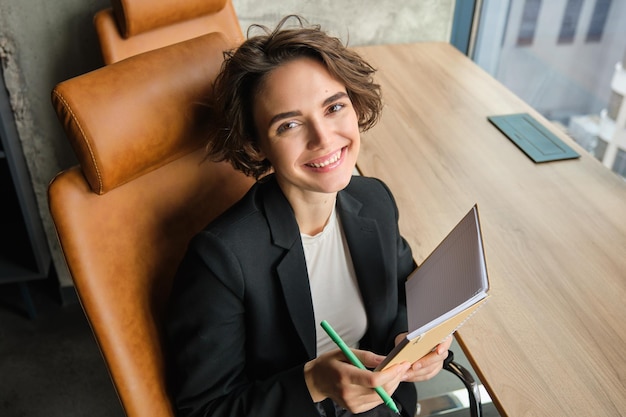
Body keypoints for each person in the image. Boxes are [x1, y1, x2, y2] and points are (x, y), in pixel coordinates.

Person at [164, 15, 452, 417]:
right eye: (290, 124)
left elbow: (406, 292)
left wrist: (413, 341)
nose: (324, 138)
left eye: (334, 107)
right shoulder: (221, 260)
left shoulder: (375, 200)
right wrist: (314, 384)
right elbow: (205, 410)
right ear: (257, 144)